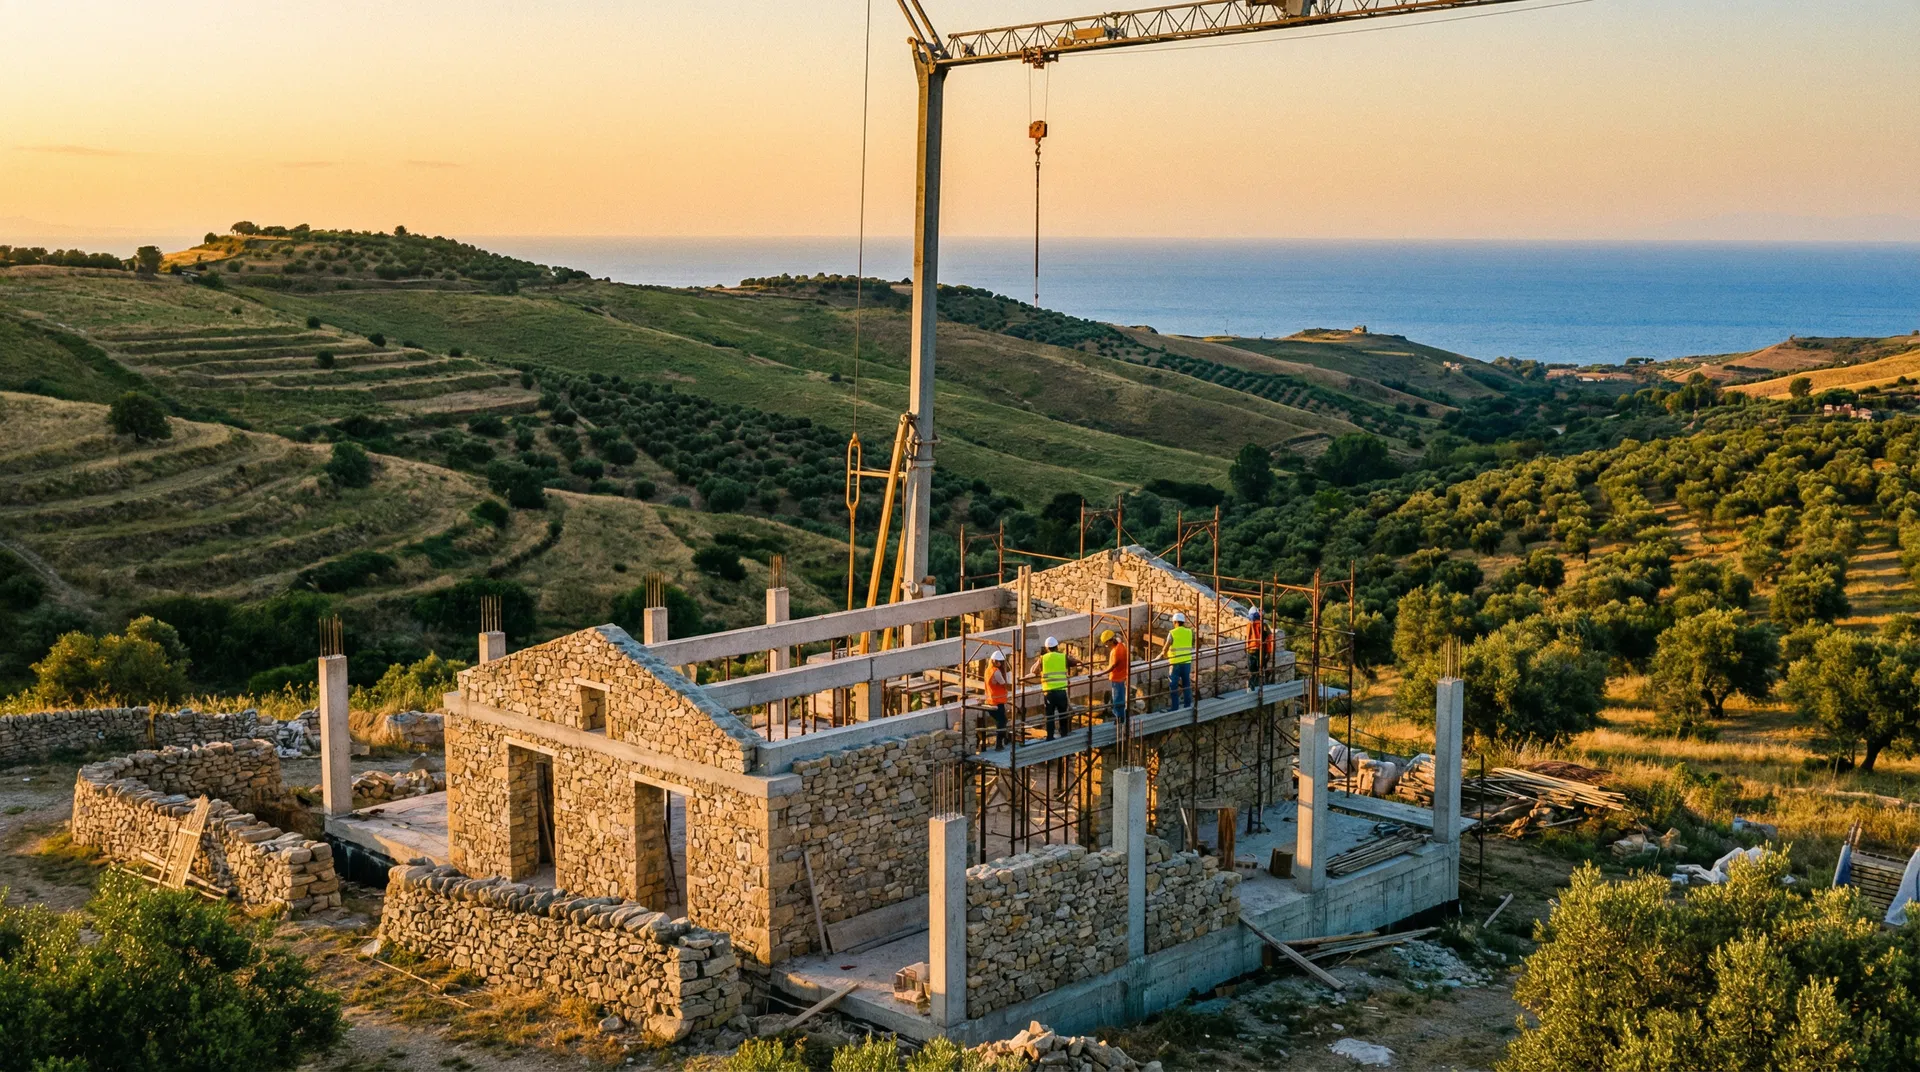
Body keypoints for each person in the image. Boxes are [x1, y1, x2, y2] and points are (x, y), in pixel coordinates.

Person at [1028, 636, 1077, 740]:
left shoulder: (1043, 658)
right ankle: (1064, 733)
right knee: (1063, 713)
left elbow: (1033, 670)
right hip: (1061, 691)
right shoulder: (1062, 657)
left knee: (1050, 715)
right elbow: (1074, 662)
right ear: (1057, 647)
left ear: (1047, 648)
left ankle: (1050, 736)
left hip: (1049, 692)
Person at [1164, 611, 1195, 709]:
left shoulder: (1172, 633)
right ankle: (1187, 704)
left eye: (1173, 622)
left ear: (1176, 622)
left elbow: (1166, 647)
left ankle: (1175, 707)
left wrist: (1165, 654)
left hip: (1175, 663)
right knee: (1186, 684)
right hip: (1186, 662)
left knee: (1173, 685)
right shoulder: (1189, 632)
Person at [1100, 629, 1130, 728]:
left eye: (1106, 644)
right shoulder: (1120, 646)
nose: (1106, 646)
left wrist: (1101, 673)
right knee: (1116, 699)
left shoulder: (1117, 651)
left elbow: (1113, 666)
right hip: (1119, 677)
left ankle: (1120, 720)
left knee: (1118, 700)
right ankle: (1119, 718)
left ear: (1110, 641)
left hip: (1118, 679)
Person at [983, 650, 1012, 749]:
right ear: (994, 661)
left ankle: (1005, 739)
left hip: (990, 702)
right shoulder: (996, 672)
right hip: (997, 703)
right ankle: (999, 744)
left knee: (1002, 722)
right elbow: (1004, 684)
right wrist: (1015, 687)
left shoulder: (988, 670)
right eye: (1000, 662)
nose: (1001, 664)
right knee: (1002, 722)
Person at [1247, 607, 1274, 684]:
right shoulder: (1263, 625)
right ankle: (1258, 685)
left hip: (1250, 649)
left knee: (1252, 669)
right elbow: (1269, 638)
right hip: (1259, 649)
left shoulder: (1248, 624)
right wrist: (1269, 651)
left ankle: (1252, 685)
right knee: (1260, 668)